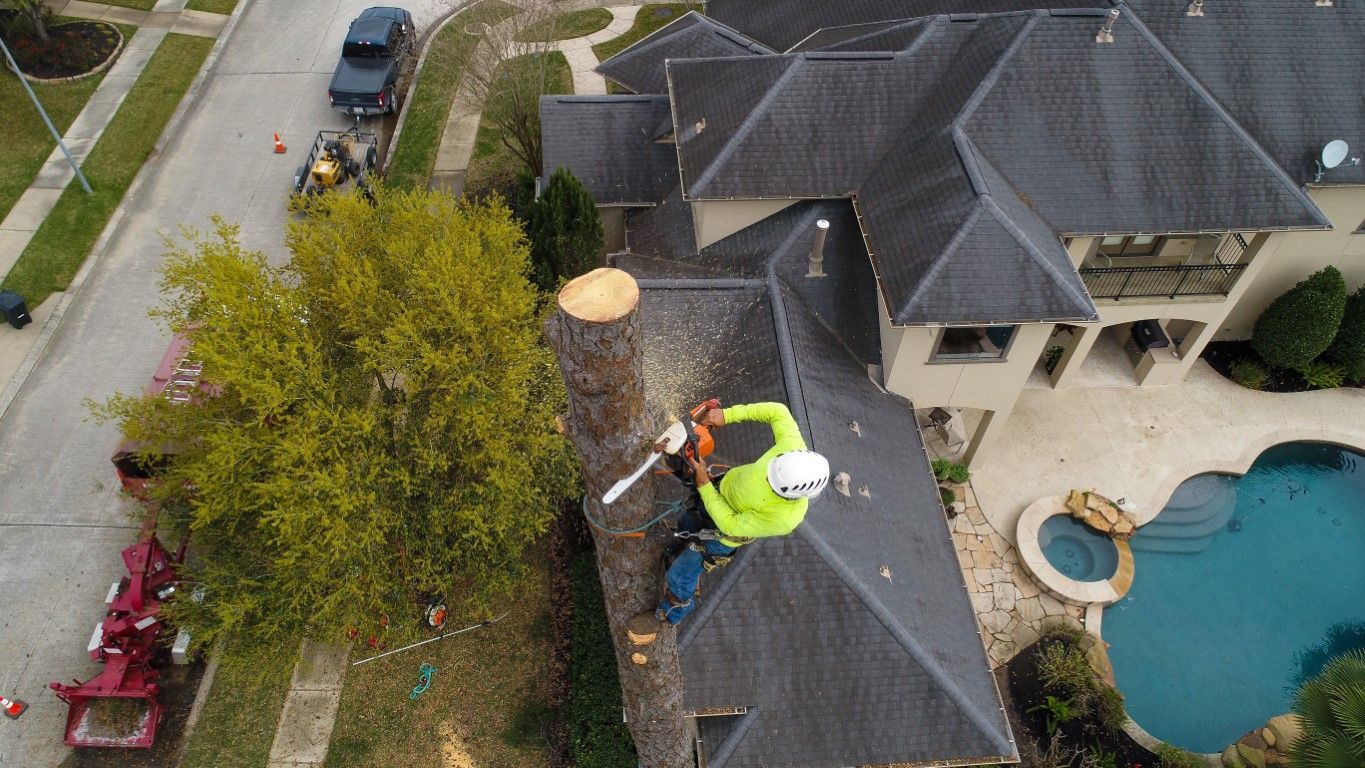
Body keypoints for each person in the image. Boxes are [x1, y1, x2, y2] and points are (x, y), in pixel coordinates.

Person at [654, 402, 829, 625]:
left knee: (679, 575)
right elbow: (777, 412)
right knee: (686, 523)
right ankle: (676, 548)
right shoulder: (791, 447)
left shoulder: (786, 518)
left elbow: (731, 525)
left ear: (792, 494)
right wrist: (727, 415)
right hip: (718, 491)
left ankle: (675, 609)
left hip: (721, 536)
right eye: (770, 472)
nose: (766, 477)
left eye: (772, 483)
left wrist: (704, 485)